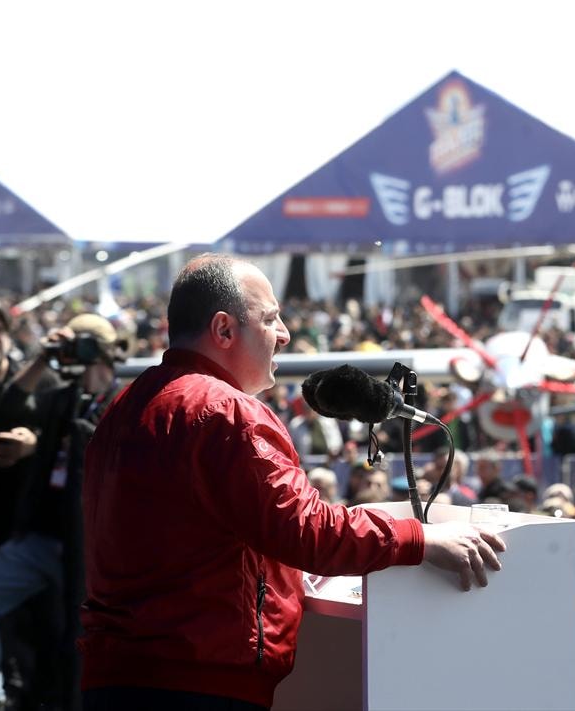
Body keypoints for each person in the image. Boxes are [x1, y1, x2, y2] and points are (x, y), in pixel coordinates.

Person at [79, 255, 507, 710]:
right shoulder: (226, 412)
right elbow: (306, 530)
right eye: (270, 319)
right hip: (198, 684)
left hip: (123, 677)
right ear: (223, 329)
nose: (284, 334)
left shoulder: (127, 404)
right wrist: (419, 538)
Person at [0, 313, 124, 710]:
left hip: (89, 550)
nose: (73, 353)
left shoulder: (122, 404)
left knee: (78, 642)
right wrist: (42, 357)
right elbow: (11, 405)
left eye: (80, 345)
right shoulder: (61, 397)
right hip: (39, 539)